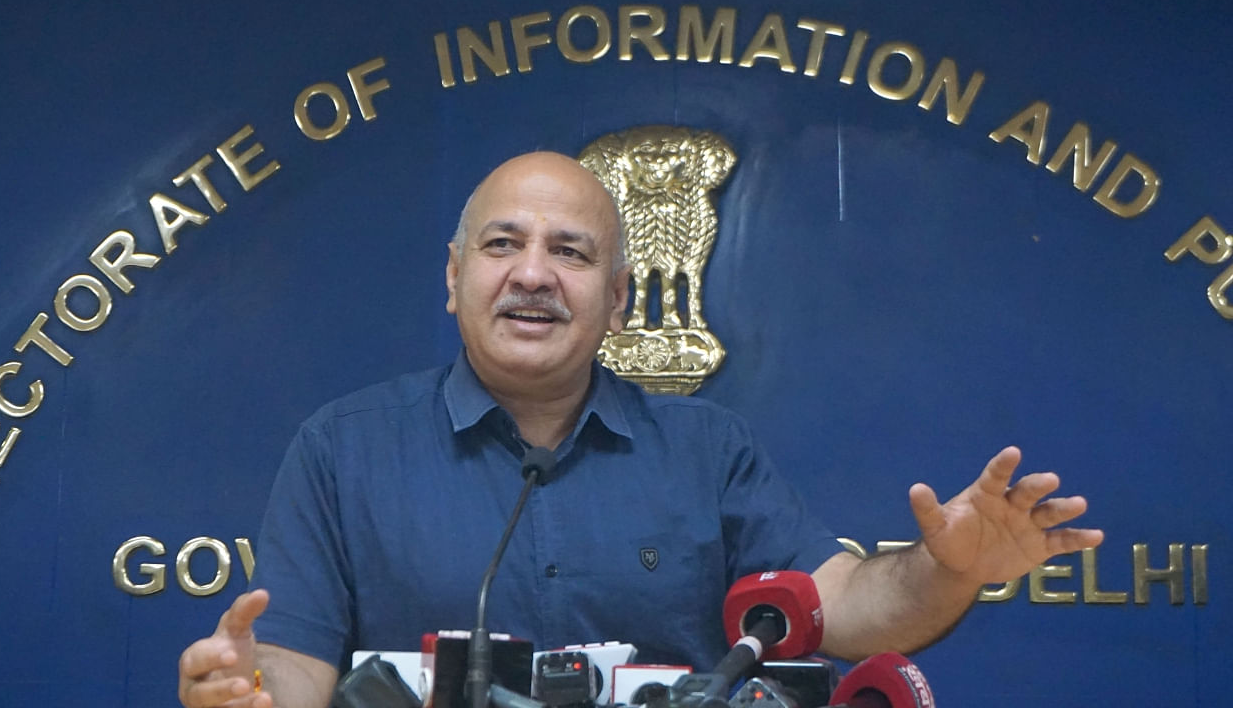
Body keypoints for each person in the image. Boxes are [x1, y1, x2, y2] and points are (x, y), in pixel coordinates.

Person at [177, 151, 1103, 708]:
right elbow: (291, 673)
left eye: (570, 253)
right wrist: (241, 692)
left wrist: (951, 569)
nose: (533, 274)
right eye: (503, 245)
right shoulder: (343, 450)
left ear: (618, 300)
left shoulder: (708, 451)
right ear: (454, 277)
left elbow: (846, 608)